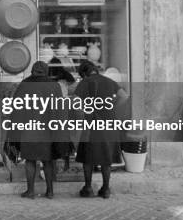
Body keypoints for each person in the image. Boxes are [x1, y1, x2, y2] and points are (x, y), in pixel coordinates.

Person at [9, 61, 67, 199]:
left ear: (32, 71)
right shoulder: (54, 86)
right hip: (48, 129)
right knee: (48, 160)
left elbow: (16, 108)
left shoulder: (24, 85)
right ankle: (50, 191)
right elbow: (59, 109)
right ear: (46, 71)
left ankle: (30, 191)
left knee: (30, 160)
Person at [74, 60, 128, 199]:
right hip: (109, 124)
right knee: (106, 156)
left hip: (91, 124)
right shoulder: (108, 81)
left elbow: (75, 103)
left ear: (84, 74)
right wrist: (112, 108)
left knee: (88, 156)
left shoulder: (85, 82)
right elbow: (124, 96)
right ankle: (105, 189)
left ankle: (88, 188)